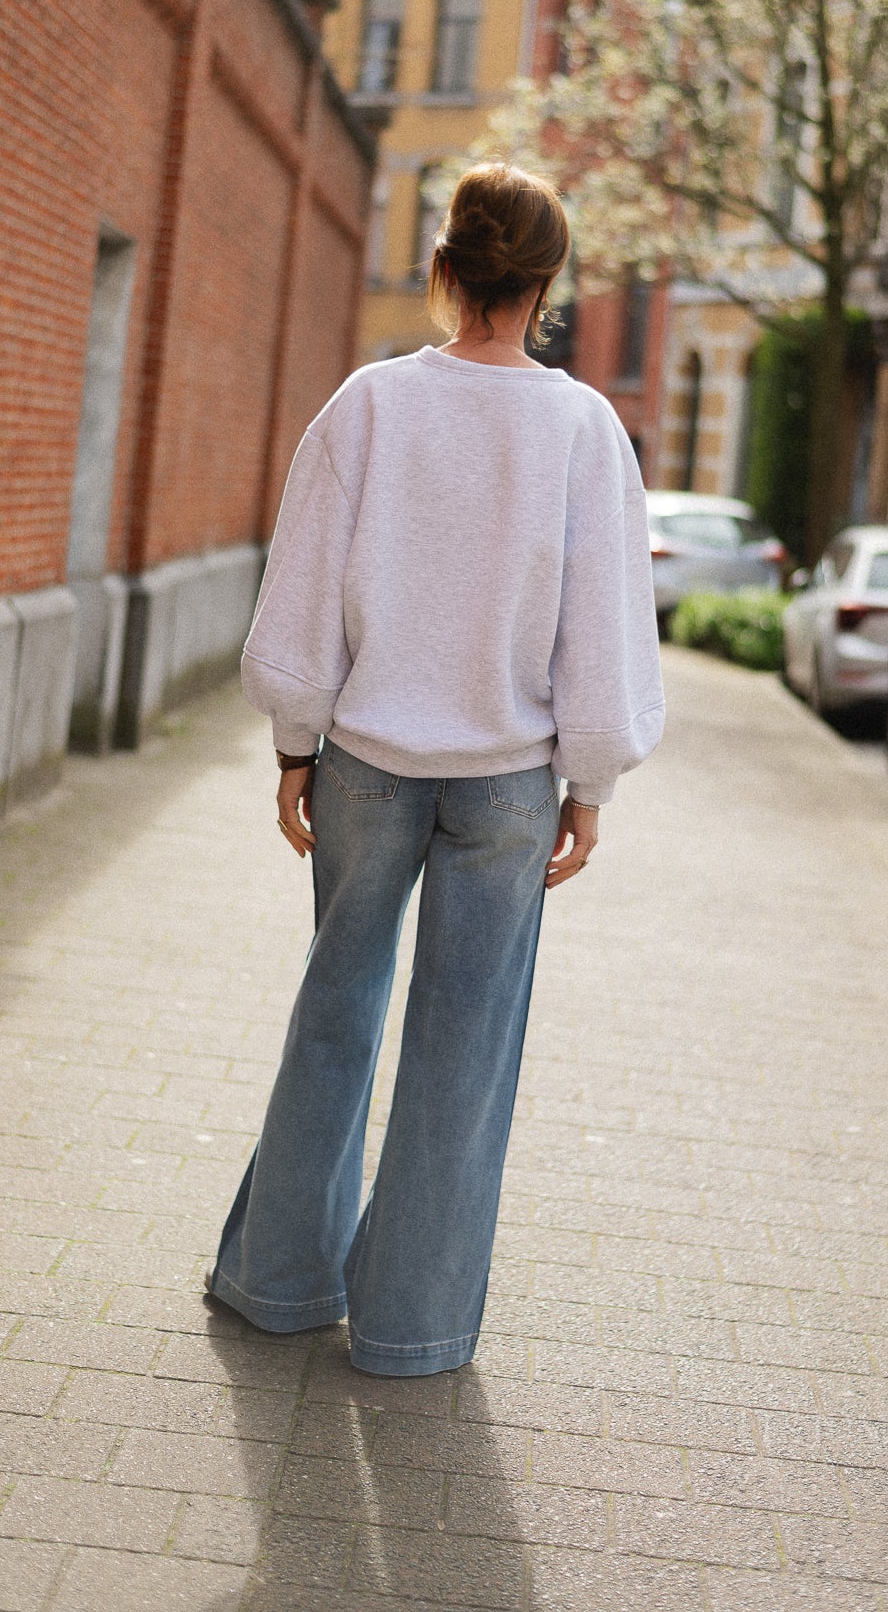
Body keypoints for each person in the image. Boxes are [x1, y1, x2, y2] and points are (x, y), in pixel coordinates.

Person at [206, 162, 664, 1377]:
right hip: (511, 781)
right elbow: (603, 627)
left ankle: (278, 1282)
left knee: (334, 1010)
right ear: (547, 284)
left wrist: (293, 742)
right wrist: (593, 779)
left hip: (363, 759)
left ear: (447, 269)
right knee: (466, 1049)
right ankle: (410, 1329)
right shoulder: (581, 428)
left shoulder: (368, 404)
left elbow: (301, 591)